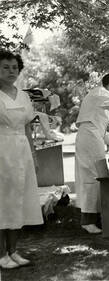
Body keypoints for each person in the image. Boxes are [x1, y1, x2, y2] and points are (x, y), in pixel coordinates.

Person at [0, 50, 43, 269]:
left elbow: (27, 125)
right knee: (2, 201)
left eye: (14, 67)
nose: (11, 71)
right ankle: (1, 255)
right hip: (2, 149)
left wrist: (33, 154)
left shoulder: (24, 95)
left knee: (18, 200)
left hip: (22, 150)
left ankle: (13, 250)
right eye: (5, 67)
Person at [75, 73, 109, 234]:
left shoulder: (101, 99)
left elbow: (106, 129)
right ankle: (87, 221)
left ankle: (98, 217)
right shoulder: (101, 93)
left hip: (92, 135)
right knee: (92, 177)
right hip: (89, 136)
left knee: (100, 175)